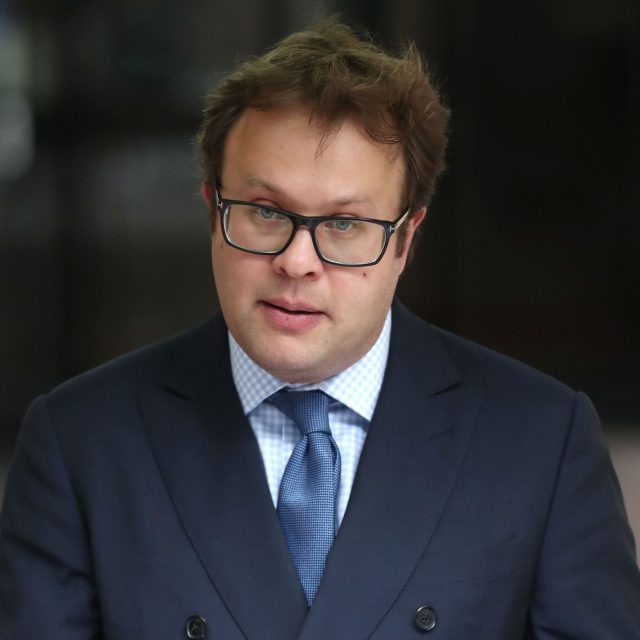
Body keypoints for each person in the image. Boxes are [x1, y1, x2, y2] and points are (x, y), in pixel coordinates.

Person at [1, 19, 639, 640]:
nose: (296, 261)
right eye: (264, 212)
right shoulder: (79, 443)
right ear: (211, 211)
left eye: (343, 224)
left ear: (405, 239)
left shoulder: (541, 443)